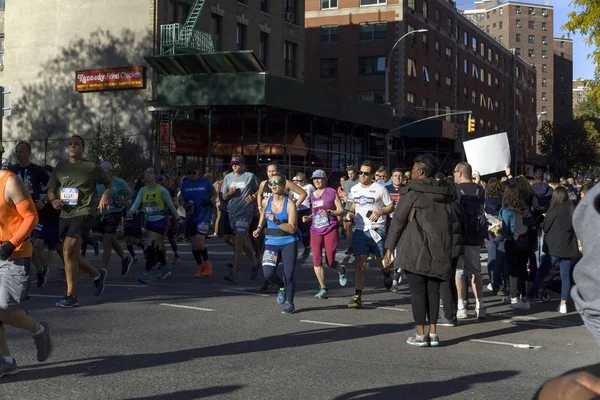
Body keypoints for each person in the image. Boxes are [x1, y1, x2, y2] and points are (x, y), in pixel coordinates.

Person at [384, 154, 454, 347]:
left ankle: (420, 334)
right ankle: (433, 333)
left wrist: (389, 247)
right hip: (441, 246)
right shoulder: (446, 192)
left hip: (416, 246)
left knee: (417, 292)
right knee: (433, 291)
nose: (411, 172)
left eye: (414, 169)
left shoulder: (411, 192)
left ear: (421, 171)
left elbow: (398, 221)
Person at [47, 135, 111, 308]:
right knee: (67, 253)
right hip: (65, 214)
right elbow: (51, 189)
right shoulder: (60, 167)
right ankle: (97, 274)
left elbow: (109, 184)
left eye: (77, 144)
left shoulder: (91, 167)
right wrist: (53, 200)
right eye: (70, 144)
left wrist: (105, 196)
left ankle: (71, 296)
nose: (73, 146)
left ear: (83, 148)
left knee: (68, 250)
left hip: (84, 212)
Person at [0, 169, 53, 377]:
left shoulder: (9, 181)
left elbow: (31, 216)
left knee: (3, 307)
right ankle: (6, 361)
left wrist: (11, 244)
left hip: (14, 255)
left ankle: (40, 330)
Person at [345, 160, 394, 309]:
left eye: (366, 173)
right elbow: (354, 204)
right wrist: (350, 213)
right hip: (360, 230)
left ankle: (386, 274)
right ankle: (357, 295)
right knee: (360, 263)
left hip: (377, 230)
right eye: (361, 173)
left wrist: (380, 212)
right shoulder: (354, 189)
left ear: (372, 175)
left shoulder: (380, 189)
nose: (362, 176)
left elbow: (391, 206)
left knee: (380, 261)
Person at [256, 161, 306, 291]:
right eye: (269, 171)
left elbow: (303, 193)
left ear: (278, 172)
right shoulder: (264, 183)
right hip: (269, 225)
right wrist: (259, 206)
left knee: (285, 263)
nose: (271, 174)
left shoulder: (285, 183)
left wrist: (293, 207)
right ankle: (270, 280)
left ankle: (281, 283)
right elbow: (259, 195)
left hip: (283, 222)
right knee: (267, 258)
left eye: (273, 171)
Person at [527, 187, 577, 313]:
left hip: (553, 247)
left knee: (542, 272)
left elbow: (545, 228)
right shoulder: (572, 210)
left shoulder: (553, 210)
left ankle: (530, 296)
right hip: (568, 246)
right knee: (565, 276)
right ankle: (563, 303)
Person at [253, 174, 298, 314]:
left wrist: (277, 222)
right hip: (270, 242)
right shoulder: (266, 202)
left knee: (288, 274)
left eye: (276, 182)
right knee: (267, 273)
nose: (273, 185)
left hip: (288, 242)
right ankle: (281, 286)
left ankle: (290, 303)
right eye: (271, 183)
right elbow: (263, 216)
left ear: (284, 185)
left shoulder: (290, 204)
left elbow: (292, 228)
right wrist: (259, 228)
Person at [9, 141, 51, 287]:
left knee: (37, 244)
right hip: (17, 213)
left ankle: (40, 270)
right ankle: (35, 272)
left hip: (34, 211)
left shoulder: (38, 171)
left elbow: (51, 187)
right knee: (25, 244)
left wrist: (44, 201)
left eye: (22, 152)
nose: (19, 154)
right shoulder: (11, 170)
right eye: (17, 152)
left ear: (28, 153)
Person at [128, 167, 179, 283]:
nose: (148, 175)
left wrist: (177, 218)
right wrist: (131, 211)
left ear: (155, 175)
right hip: (149, 220)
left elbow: (170, 205)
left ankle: (145, 273)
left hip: (160, 220)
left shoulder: (162, 190)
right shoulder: (143, 190)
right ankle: (165, 266)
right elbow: (136, 203)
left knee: (150, 246)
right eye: (146, 172)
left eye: (151, 172)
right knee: (158, 246)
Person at [302, 170, 347, 298]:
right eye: (314, 179)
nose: (316, 181)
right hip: (315, 229)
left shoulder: (331, 192)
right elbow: (315, 212)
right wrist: (308, 217)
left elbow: (341, 210)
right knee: (316, 259)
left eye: (319, 178)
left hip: (330, 228)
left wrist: (330, 212)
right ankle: (323, 287)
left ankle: (341, 269)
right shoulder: (312, 195)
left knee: (330, 260)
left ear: (324, 179)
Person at [453, 162, 487, 319]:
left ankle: (461, 307)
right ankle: (480, 305)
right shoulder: (479, 189)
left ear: (460, 173)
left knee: (458, 272)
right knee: (476, 272)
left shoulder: (455, 190)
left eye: (455, 172)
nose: (453, 175)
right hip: (475, 236)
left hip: (459, 236)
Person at [221, 154, 260, 283]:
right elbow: (224, 197)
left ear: (243, 164)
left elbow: (261, 189)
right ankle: (255, 263)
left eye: (237, 163)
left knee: (238, 241)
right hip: (232, 212)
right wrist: (230, 193)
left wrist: (254, 196)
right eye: (233, 164)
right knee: (241, 242)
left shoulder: (250, 177)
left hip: (246, 212)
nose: (235, 166)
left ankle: (235, 272)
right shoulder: (227, 177)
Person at [96, 161, 133, 275]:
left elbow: (129, 193)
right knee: (111, 239)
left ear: (110, 171)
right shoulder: (97, 182)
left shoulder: (119, 182)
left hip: (114, 213)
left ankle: (102, 269)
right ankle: (125, 258)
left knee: (107, 241)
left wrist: (122, 201)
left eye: (104, 171)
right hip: (101, 214)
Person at [498, 184, 532, 310]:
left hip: (511, 241)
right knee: (523, 268)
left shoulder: (506, 210)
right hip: (524, 241)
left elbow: (506, 229)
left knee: (512, 270)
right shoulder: (524, 208)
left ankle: (514, 296)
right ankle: (525, 296)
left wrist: (498, 233)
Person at [180, 164, 215, 278]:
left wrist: (210, 200)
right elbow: (180, 199)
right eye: (189, 173)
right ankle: (200, 266)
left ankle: (207, 264)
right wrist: (184, 205)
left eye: (193, 173)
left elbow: (214, 193)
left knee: (200, 244)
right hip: (191, 217)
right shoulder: (185, 185)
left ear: (198, 172)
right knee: (194, 246)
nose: (191, 175)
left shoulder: (205, 183)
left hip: (203, 216)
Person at [32, 165, 61, 288]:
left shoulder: (56, 187)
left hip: (54, 219)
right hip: (40, 220)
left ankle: (47, 267)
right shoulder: (38, 186)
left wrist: (46, 203)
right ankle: (43, 268)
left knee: (54, 246)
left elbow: (59, 202)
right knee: (37, 244)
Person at [294, 172, 316, 258]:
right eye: (297, 180)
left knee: (305, 230)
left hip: (306, 210)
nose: (299, 182)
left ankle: (307, 247)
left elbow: (315, 195)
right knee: (297, 229)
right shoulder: (294, 187)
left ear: (304, 179)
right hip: (297, 210)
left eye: (301, 180)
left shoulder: (309, 186)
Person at [342, 165, 359, 255]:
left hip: (359, 208)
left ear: (355, 173)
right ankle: (350, 246)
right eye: (349, 174)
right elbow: (345, 194)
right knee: (348, 226)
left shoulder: (359, 181)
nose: (350, 176)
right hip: (348, 207)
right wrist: (345, 198)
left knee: (359, 228)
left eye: (352, 174)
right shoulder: (345, 183)